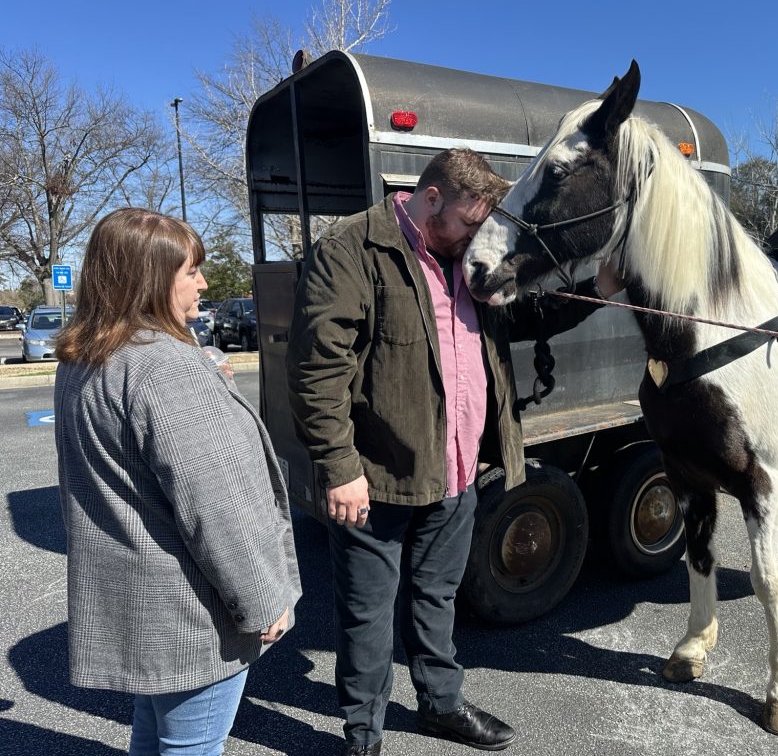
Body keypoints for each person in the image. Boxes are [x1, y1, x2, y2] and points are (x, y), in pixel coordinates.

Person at [286, 148, 622, 755]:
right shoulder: (354, 250)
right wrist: (339, 469)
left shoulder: (466, 261)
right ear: (431, 198)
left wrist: (592, 293)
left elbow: (524, 317)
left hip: (458, 471)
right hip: (379, 476)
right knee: (367, 611)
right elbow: (318, 372)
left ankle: (440, 705)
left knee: (437, 597)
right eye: (471, 222)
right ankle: (363, 733)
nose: (476, 237)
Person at [54, 208, 302, 756]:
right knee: (190, 747)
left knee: (156, 737)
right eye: (192, 271)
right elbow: (217, 508)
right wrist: (264, 600)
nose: (205, 284)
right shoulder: (163, 368)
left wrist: (199, 368)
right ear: (150, 278)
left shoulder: (87, 355)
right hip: (190, 613)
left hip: (140, 604)